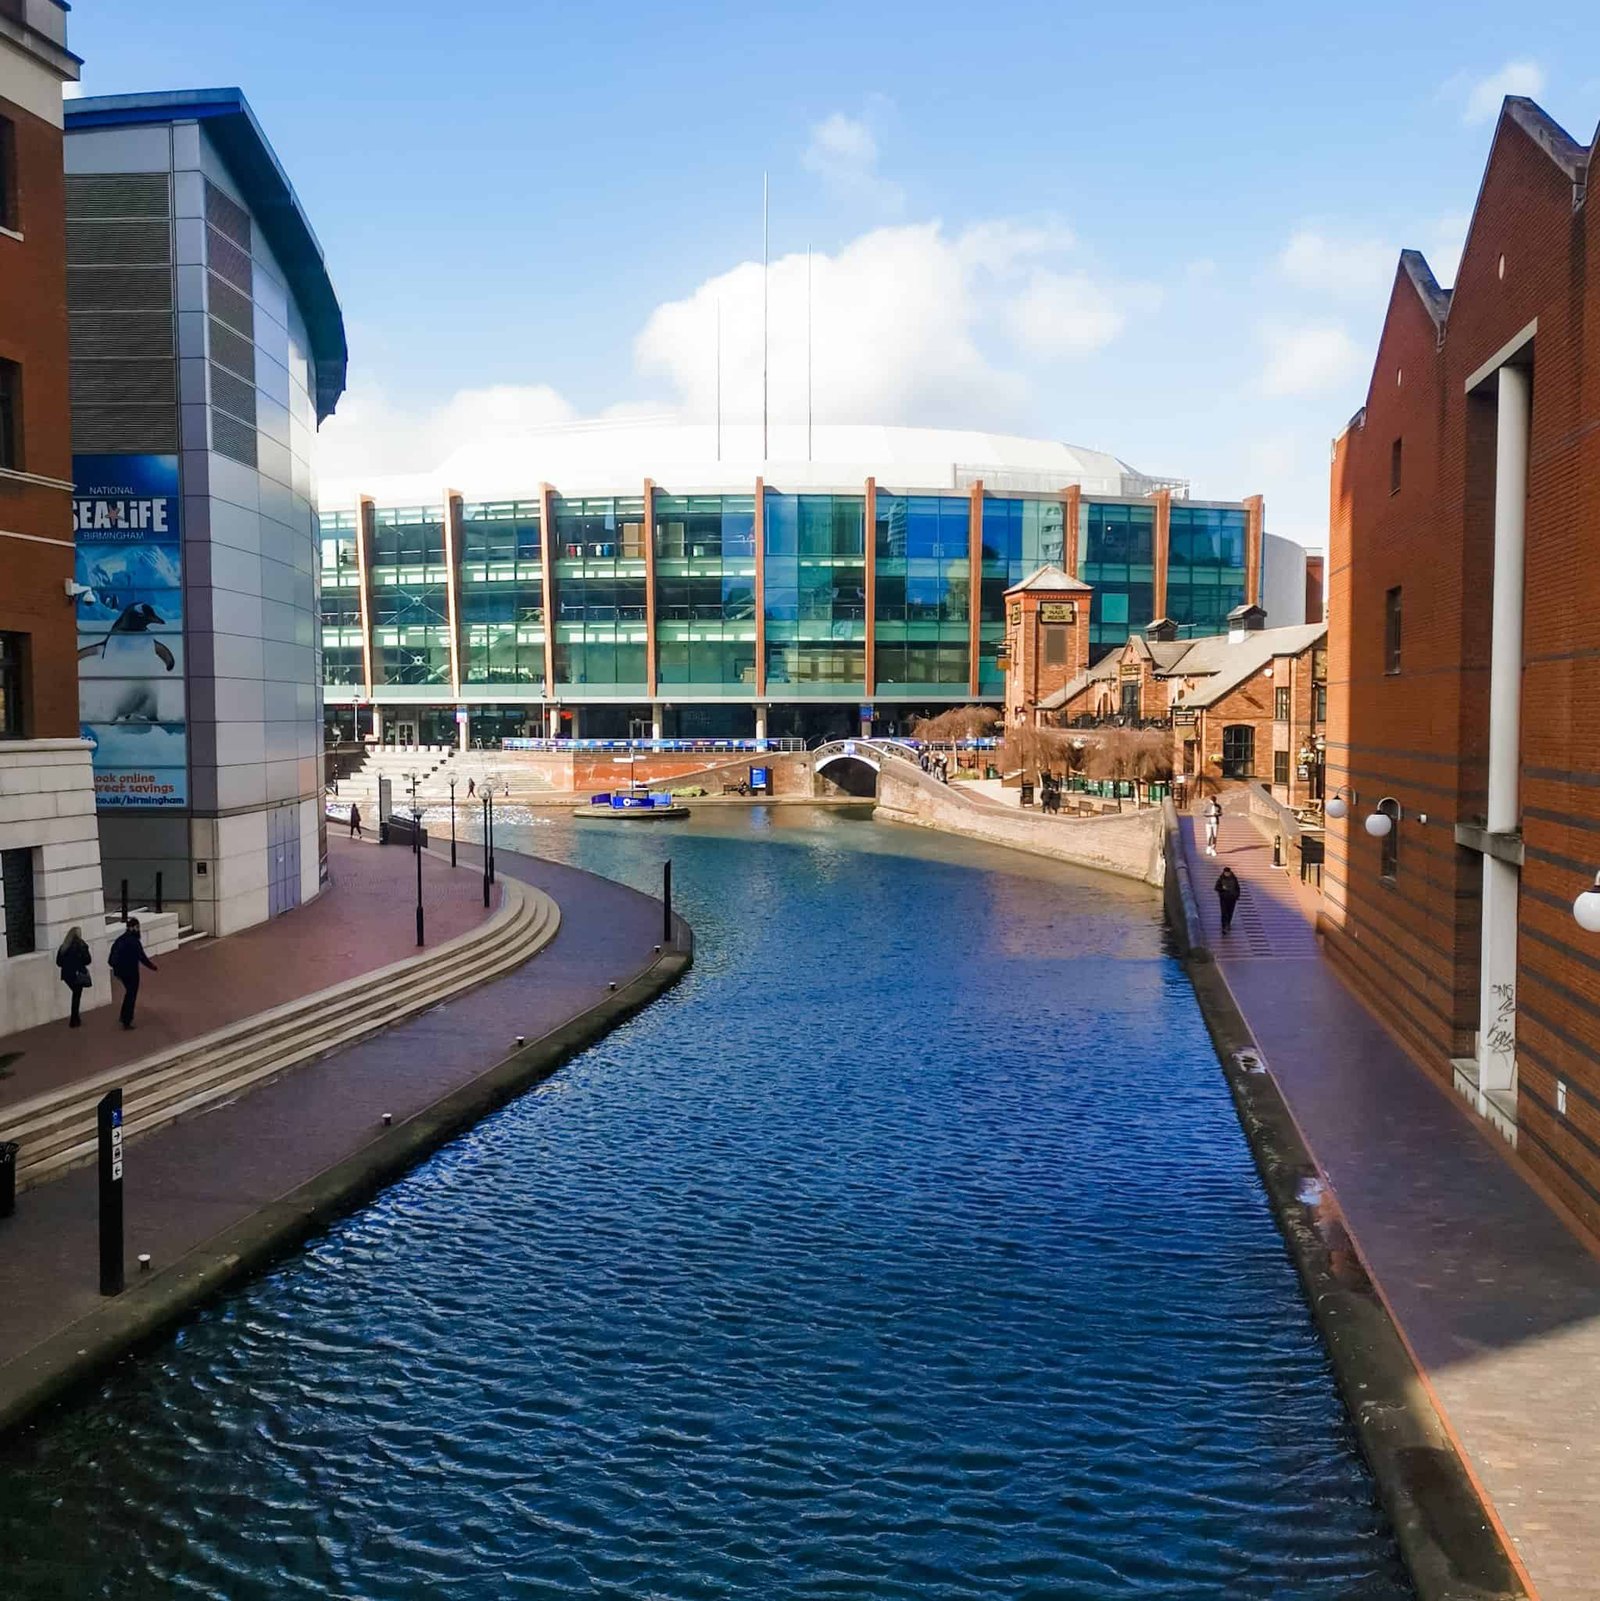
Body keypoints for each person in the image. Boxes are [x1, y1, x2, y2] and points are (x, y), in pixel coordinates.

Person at [108, 917, 158, 1030]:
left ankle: (124, 1016)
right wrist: (152, 967)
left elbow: (112, 957)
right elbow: (142, 957)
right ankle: (127, 1019)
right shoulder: (134, 941)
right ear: (132, 928)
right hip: (131, 972)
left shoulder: (120, 939)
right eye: (137, 927)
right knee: (131, 994)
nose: (138, 929)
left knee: (129, 993)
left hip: (120, 971)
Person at [55, 925, 92, 1028]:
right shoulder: (81, 945)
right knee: (77, 995)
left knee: (76, 994)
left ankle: (75, 1018)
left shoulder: (64, 947)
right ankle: (74, 1018)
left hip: (67, 974)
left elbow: (59, 962)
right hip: (77, 973)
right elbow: (87, 960)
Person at [1215, 867, 1241, 934]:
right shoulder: (1221, 879)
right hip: (1224, 898)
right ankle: (1224, 927)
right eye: (1225, 873)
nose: (1226, 874)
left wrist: (1237, 895)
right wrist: (1222, 889)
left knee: (1230, 912)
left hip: (1232, 899)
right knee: (1224, 913)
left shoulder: (1234, 879)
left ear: (1230, 872)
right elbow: (1216, 887)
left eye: (1227, 873)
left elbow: (1237, 888)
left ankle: (1228, 924)